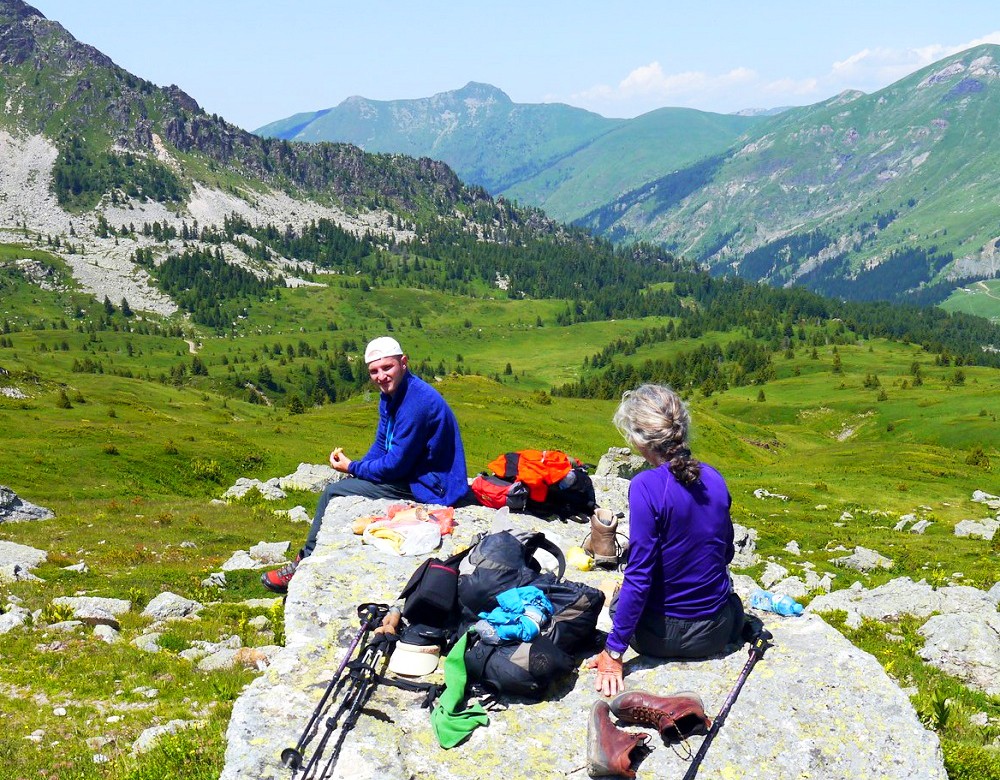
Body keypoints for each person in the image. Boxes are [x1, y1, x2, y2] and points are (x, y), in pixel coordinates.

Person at [262, 336, 471, 593]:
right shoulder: (393, 394)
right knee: (347, 485)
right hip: (417, 474)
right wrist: (358, 468)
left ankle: (304, 562)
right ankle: (305, 559)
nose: (381, 376)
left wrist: (353, 468)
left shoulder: (416, 403)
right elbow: (382, 444)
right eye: (374, 371)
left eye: (387, 368)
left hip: (429, 485)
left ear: (403, 362)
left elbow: (396, 466)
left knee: (332, 492)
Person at [588, 384, 745, 697]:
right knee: (735, 603)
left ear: (639, 439)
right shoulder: (714, 478)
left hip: (656, 637)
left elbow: (640, 575)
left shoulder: (645, 485)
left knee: (619, 603)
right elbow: (725, 553)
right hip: (715, 631)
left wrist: (614, 652)